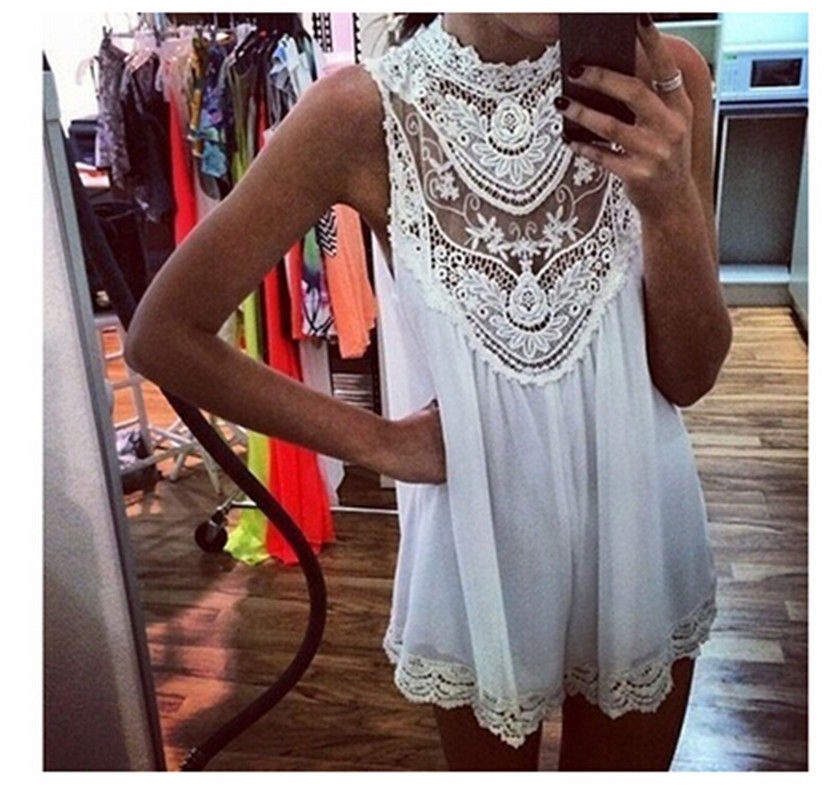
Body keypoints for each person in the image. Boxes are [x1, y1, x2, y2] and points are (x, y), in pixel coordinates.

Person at [126, 13, 732, 771]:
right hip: (480, 540)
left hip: (640, 521)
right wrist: (381, 444)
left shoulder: (669, 78)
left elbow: (690, 375)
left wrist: (669, 202)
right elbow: (164, 334)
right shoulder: (362, 112)